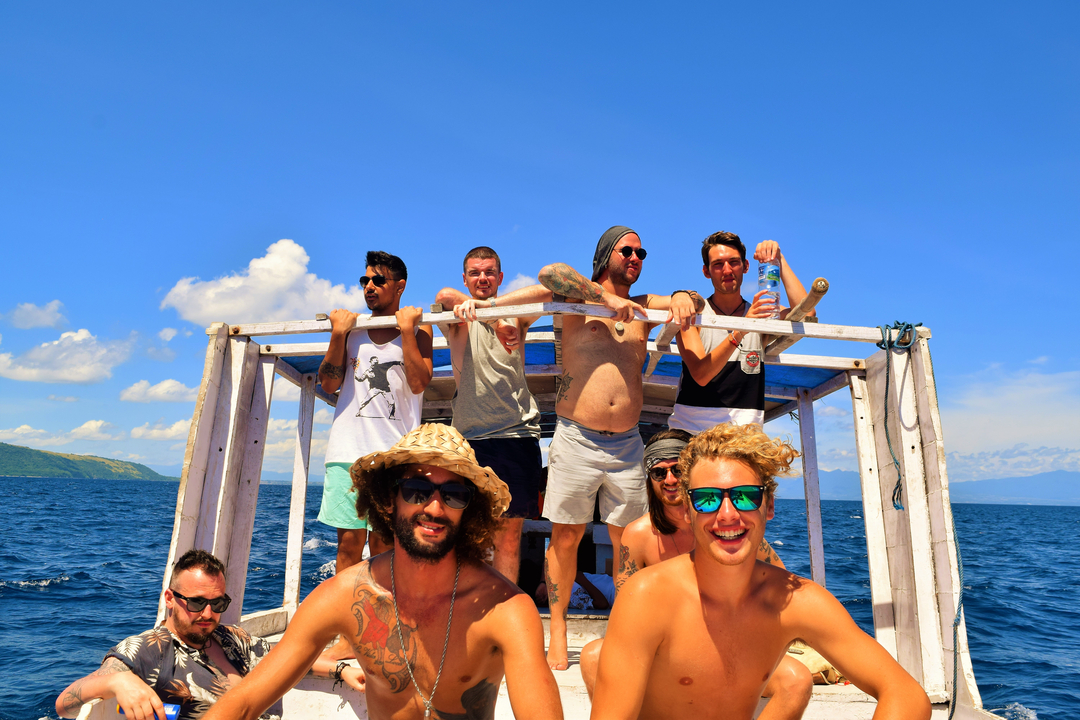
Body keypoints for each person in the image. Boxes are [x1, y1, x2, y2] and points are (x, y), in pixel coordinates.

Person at [202, 423, 563, 720]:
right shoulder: (343, 596)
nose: (435, 508)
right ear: (389, 500)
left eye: (454, 495)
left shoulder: (505, 609)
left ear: (469, 511)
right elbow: (246, 701)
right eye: (418, 490)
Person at [589, 423, 932, 720]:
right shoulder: (647, 595)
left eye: (745, 497)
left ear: (768, 506)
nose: (727, 515)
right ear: (689, 511)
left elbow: (906, 693)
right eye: (707, 498)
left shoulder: (797, 599)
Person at [488, 225, 702, 670]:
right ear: (607, 255)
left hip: (628, 443)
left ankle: (624, 627)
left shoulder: (643, 307)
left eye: (643, 252)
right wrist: (608, 301)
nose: (637, 257)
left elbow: (694, 303)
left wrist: (684, 294)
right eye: (628, 250)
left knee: (629, 540)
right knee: (567, 536)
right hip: (575, 436)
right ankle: (559, 626)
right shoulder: (575, 299)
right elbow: (551, 273)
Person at [579, 429, 812, 720]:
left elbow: (780, 585)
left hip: (732, 645)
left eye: (677, 469)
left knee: (796, 680)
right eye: (658, 473)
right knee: (592, 656)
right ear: (649, 481)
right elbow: (623, 609)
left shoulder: (728, 531)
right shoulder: (637, 535)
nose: (670, 480)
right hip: (662, 650)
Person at [434, 246, 545, 583]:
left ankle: (506, 616)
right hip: (471, 440)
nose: (482, 278)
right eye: (475, 273)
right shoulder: (457, 318)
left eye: (488, 272)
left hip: (517, 436)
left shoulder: (516, 315)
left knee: (508, 536)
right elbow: (443, 294)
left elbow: (550, 288)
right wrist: (482, 314)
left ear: (500, 277)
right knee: (470, 534)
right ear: (466, 278)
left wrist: (494, 312)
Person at [318, 250, 434, 572]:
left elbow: (418, 383)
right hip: (347, 454)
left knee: (385, 545)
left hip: (394, 457)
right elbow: (328, 384)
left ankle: (385, 619)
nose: (369, 286)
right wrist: (338, 332)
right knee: (348, 547)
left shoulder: (421, 331)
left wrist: (407, 330)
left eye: (378, 280)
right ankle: (346, 620)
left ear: (400, 286)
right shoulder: (351, 331)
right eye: (364, 280)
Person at [55, 550, 275, 720]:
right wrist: (117, 681)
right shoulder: (150, 649)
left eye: (217, 603)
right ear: (170, 598)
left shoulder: (231, 637)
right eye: (196, 602)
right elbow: (64, 704)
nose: (208, 613)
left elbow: (288, 656)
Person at [669, 232, 814, 432]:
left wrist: (778, 260)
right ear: (706, 271)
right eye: (718, 264)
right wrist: (742, 329)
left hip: (744, 438)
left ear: (746, 266)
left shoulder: (760, 314)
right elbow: (701, 375)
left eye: (734, 262)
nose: (727, 270)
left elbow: (806, 314)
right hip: (691, 434)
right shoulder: (695, 315)